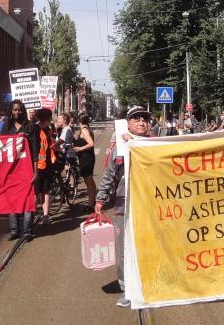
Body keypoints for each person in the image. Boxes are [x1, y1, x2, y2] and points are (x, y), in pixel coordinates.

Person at [95, 105, 151, 308]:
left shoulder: (156, 144)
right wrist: (100, 199)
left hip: (149, 207)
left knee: (148, 247)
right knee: (123, 250)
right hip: (123, 205)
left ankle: (149, 286)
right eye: (136, 119)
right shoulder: (119, 147)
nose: (141, 122)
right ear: (128, 123)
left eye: (144, 119)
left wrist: (134, 142)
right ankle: (127, 289)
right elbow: (110, 175)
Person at [1, 100, 36, 241]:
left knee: (28, 200)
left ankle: (27, 231)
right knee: (12, 200)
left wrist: (36, 171)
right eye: (14, 110)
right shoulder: (6, 127)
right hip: (11, 170)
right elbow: (0, 147)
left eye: (19, 110)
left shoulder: (31, 126)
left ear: (23, 110)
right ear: (11, 111)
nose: (17, 112)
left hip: (27, 170)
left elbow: (35, 150)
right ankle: (14, 230)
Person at [30, 108, 56, 226]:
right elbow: (34, 148)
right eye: (49, 119)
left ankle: (45, 215)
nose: (51, 121)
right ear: (45, 119)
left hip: (47, 165)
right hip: (37, 166)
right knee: (36, 193)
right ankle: (33, 215)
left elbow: (49, 144)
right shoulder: (34, 129)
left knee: (46, 190)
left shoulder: (47, 130)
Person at [75, 113, 97, 213]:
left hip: (85, 158)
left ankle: (90, 204)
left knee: (88, 182)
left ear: (79, 120)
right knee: (90, 180)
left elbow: (91, 143)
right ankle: (95, 200)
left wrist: (80, 148)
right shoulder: (87, 128)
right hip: (88, 157)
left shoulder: (84, 129)